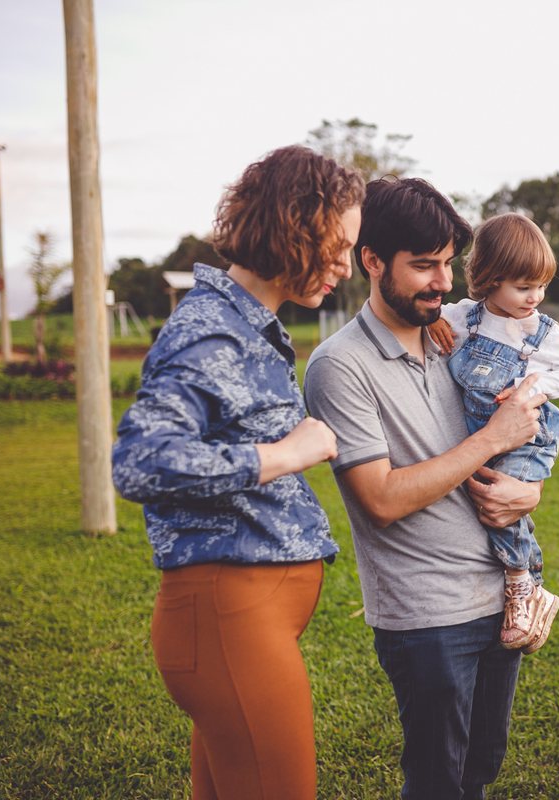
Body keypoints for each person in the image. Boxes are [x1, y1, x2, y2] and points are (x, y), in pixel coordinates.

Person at [111, 146, 363, 800]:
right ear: (294, 226)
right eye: (337, 245)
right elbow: (141, 459)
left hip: (237, 622)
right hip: (228, 621)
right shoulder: (212, 329)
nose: (345, 264)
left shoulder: (249, 326)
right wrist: (284, 455)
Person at [302, 177, 547, 800]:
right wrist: (491, 439)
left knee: (479, 771)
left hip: (498, 593)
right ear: (372, 261)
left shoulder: (455, 336)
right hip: (428, 617)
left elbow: (517, 443)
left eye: (446, 264)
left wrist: (529, 493)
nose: (442, 281)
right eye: (422, 266)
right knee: (439, 784)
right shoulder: (339, 365)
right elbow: (380, 499)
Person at [426, 212, 559, 653]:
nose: (535, 297)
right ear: (490, 280)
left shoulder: (541, 331)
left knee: (499, 502)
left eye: (541, 286)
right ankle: (530, 586)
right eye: (524, 286)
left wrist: (530, 388)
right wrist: (431, 322)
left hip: (530, 432)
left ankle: (522, 582)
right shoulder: (462, 318)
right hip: (484, 430)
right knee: (487, 501)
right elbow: (431, 319)